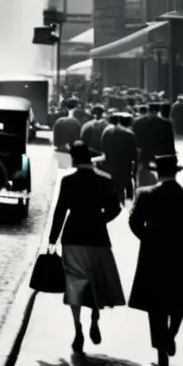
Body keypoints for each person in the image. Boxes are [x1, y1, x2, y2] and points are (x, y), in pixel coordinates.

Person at [127, 154, 183, 366]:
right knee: (179, 299)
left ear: (157, 172)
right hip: (180, 252)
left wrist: (147, 238)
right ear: (176, 173)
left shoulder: (146, 194)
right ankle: (171, 334)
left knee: (155, 304)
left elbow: (134, 222)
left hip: (153, 252)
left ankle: (161, 349)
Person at [48, 141, 125, 352]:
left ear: (74, 158)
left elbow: (60, 210)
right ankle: (94, 318)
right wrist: (101, 219)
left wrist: (53, 237)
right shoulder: (105, 180)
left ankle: (77, 328)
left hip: (73, 235)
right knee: (96, 280)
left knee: (75, 282)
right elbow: (115, 208)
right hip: (98, 236)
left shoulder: (68, 181)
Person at [100, 112, 137, 205]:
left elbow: (103, 148)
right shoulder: (130, 134)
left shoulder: (107, 132)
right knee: (127, 187)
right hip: (124, 166)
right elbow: (134, 153)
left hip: (109, 165)